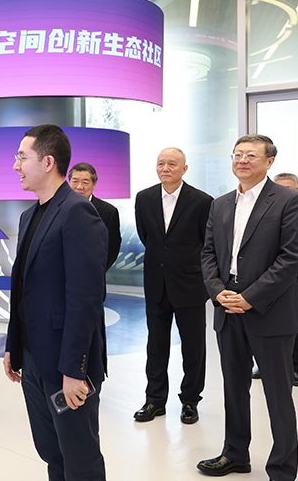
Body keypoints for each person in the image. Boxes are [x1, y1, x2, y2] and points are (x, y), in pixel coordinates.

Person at [4, 125, 109, 481]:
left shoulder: (77, 212)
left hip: (66, 364)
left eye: (22, 157)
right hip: (33, 357)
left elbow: (85, 298)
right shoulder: (29, 215)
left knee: (80, 458)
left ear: (48, 162)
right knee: (52, 451)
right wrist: (13, 345)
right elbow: (23, 288)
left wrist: (74, 371)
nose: (16, 165)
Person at [197, 135, 298, 481]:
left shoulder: (289, 201)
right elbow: (208, 254)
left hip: (269, 312)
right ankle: (235, 454)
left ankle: (282, 469)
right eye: (238, 154)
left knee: (277, 395)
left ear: (269, 161)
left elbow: (292, 258)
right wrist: (218, 292)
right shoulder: (220, 204)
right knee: (233, 388)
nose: (242, 160)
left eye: (251, 155)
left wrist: (250, 297)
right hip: (227, 310)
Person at [133, 147, 213, 424]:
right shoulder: (144, 198)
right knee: (156, 345)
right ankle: (155, 400)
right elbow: (147, 236)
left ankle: (190, 400)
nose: (165, 168)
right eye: (161, 164)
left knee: (193, 348)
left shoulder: (202, 201)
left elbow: (207, 243)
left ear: (184, 169)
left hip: (190, 284)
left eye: (172, 164)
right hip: (156, 283)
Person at [274, 172, 298, 387]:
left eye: (289, 189)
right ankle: (267, 364)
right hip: (273, 275)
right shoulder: (267, 212)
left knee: (297, 320)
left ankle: (295, 366)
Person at [68, 162, 121, 270]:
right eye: (75, 181)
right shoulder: (58, 208)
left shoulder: (108, 212)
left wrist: (97, 271)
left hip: (93, 274)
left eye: (85, 182)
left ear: (94, 184)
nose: (79, 187)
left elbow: (112, 248)